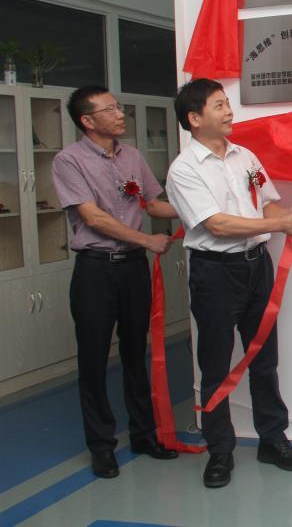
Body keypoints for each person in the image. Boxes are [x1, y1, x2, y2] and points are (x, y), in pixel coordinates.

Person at [166, 78, 292, 489]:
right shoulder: (184, 170)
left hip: (256, 266)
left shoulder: (245, 156)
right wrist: (278, 225)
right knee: (215, 363)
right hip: (215, 272)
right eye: (219, 105)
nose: (229, 111)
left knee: (264, 356)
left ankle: (272, 439)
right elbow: (217, 224)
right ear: (195, 118)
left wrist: (289, 218)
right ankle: (220, 450)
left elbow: (267, 203)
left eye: (227, 103)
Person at [52, 85, 181, 478]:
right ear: (87, 121)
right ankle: (101, 446)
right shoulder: (68, 161)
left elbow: (153, 204)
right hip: (95, 270)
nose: (120, 114)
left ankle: (143, 435)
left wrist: (206, 210)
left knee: (135, 354)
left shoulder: (133, 156)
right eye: (110, 109)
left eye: (119, 107)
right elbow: (93, 217)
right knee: (93, 359)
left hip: (132, 270)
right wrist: (146, 240)